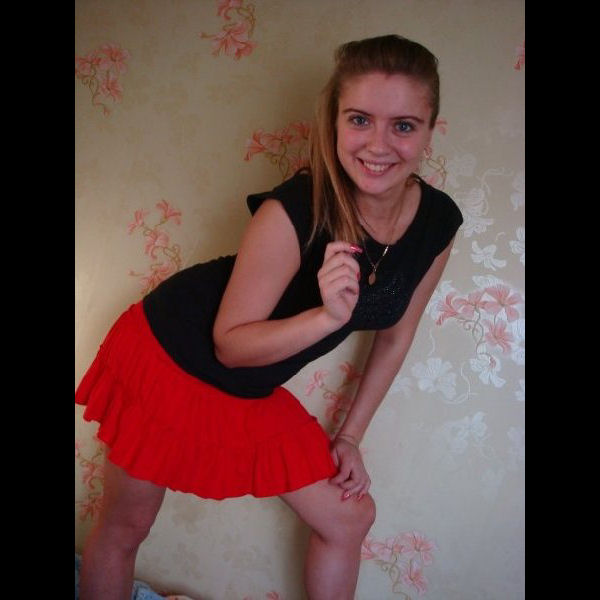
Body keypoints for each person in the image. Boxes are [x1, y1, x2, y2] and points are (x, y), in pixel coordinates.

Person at [76, 34, 463, 600]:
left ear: (430, 130)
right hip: (170, 354)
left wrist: (350, 437)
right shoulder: (296, 207)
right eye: (360, 120)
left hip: (249, 385)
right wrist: (327, 317)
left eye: (403, 125)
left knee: (348, 517)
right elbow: (231, 345)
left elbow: (395, 336)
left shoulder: (437, 223)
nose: (378, 145)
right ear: (334, 122)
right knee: (126, 527)